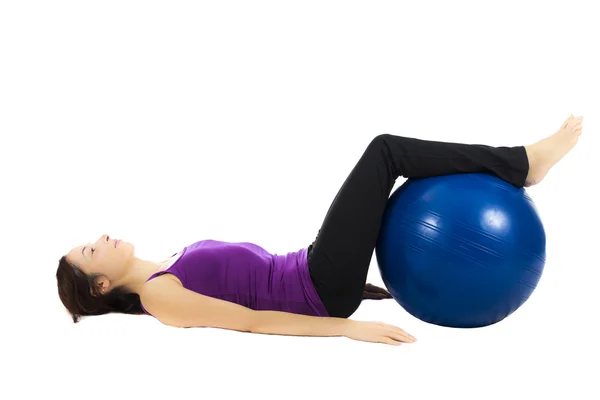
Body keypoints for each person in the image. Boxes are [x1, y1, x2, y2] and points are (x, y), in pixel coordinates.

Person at [56, 114, 584, 346]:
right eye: (90, 249)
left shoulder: (168, 268)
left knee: (385, 153)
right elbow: (251, 323)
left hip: (316, 272)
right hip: (318, 286)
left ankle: (520, 163)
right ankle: (523, 164)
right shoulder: (160, 297)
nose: (100, 237)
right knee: (386, 150)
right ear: (100, 286)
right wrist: (347, 329)